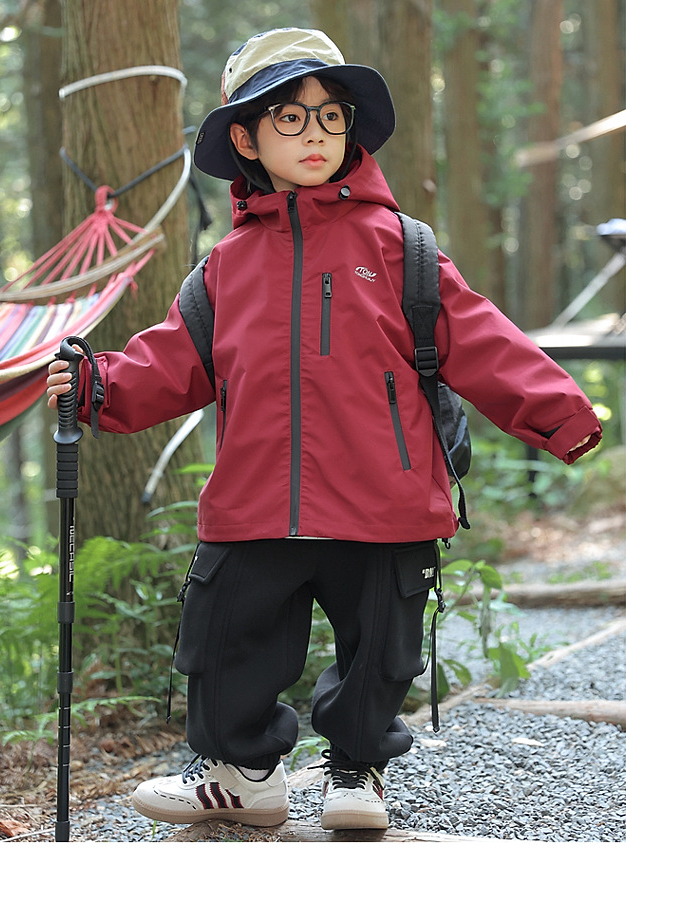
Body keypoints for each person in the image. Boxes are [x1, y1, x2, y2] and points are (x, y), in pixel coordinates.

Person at [46, 27, 601, 832]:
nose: (315, 134)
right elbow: (171, 362)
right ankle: (240, 773)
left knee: (380, 647)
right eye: (291, 117)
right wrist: (97, 384)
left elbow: (483, 341)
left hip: (385, 497)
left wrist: (565, 416)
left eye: (330, 117)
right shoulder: (223, 269)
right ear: (246, 138)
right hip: (254, 501)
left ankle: (357, 770)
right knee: (225, 635)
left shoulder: (403, 248)